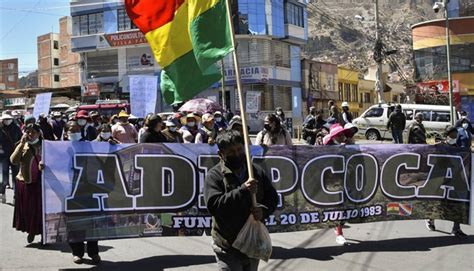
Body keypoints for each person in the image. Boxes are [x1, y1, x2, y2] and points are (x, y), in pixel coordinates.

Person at [204, 130, 278, 271]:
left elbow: (272, 197)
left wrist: (263, 211)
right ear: (221, 154)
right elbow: (214, 206)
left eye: (239, 149)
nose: (237, 154)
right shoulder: (215, 176)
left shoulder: (255, 172)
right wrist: (243, 190)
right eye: (231, 152)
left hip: (252, 243)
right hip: (227, 245)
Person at [65, 121, 101, 264]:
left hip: (88, 188)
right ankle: (77, 252)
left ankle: (94, 253)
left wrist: (109, 144)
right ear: (66, 132)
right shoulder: (60, 147)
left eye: (77, 129)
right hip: (70, 190)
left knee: (92, 222)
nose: (74, 132)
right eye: (71, 130)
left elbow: (100, 157)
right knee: (75, 224)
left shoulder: (88, 144)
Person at [425, 126, 467, 238]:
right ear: (447, 135)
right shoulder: (440, 146)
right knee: (439, 203)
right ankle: (430, 220)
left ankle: (456, 229)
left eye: (456, 136)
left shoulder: (458, 148)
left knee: (457, 204)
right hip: (441, 181)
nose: (454, 137)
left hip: (454, 181)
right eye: (453, 135)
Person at [10, 124, 44, 244]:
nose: (30, 134)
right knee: (29, 211)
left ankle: (44, 234)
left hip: (41, 184)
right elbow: (13, 161)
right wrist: (21, 145)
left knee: (41, 211)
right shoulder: (23, 145)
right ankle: (32, 231)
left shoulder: (45, 146)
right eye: (28, 132)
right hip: (25, 183)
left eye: (33, 132)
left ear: (39, 133)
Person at [322, 124, 354, 244]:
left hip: (346, 178)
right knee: (338, 205)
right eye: (338, 135)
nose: (341, 136)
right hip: (332, 180)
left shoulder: (348, 144)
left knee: (344, 206)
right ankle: (339, 232)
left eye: (342, 134)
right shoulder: (328, 144)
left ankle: (338, 227)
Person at [1, 113, 22, 193]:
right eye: (5, 119)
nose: (7, 121)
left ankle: (15, 195)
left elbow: (21, 140)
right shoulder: (1, 128)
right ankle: (3, 193)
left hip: (15, 154)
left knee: (15, 176)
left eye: (8, 119)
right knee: (4, 177)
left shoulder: (17, 128)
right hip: (3, 156)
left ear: (11, 119)